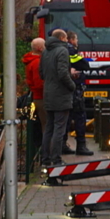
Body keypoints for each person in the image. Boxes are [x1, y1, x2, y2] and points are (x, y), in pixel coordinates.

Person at [39, 28, 75, 166]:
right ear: (62, 38)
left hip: (48, 93)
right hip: (61, 94)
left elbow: (41, 73)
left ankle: (45, 158)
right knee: (59, 128)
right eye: (66, 39)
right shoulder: (62, 51)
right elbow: (62, 73)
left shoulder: (45, 52)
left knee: (49, 128)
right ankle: (56, 159)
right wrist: (72, 85)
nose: (67, 41)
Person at [64, 31, 92, 156]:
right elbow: (84, 65)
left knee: (66, 118)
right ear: (70, 39)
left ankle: (62, 145)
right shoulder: (71, 51)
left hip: (65, 91)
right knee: (80, 117)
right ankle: (81, 146)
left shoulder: (58, 50)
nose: (77, 42)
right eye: (76, 39)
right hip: (75, 89)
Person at [22, 38, 46, 132]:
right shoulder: (37, 63)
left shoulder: (32, 61)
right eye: (44, 46)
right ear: (40, 48)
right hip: (41, 97)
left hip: (37, 96)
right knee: (46, 124)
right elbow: (39, 83)